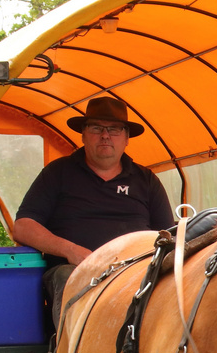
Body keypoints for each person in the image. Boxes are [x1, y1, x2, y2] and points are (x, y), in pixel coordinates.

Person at [10, 97, 174, 316]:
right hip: (74, 271)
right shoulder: (58, 173)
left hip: (135, 272)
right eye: (97, 128)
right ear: (83, 135)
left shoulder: (146, 180)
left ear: (126, 138)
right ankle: (72, 349)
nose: (105, 135)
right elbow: (23, 227)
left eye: (114, 129)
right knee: (70, 278)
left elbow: (168, 238)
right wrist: (72, 251)